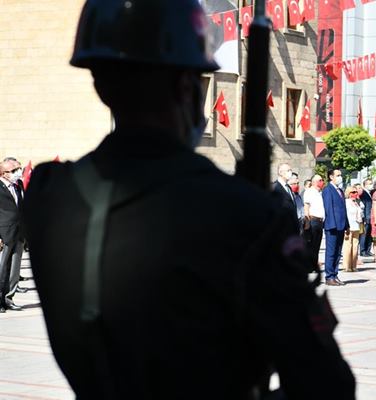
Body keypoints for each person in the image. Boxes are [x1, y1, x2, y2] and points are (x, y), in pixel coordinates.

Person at [22, 1, 356, 397]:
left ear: (99, 83)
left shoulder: (49, 195)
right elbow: (326, 385)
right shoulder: (245, 214)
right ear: (187, 88)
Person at [0, 158, 24, 312]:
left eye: (18, 169)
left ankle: (9, 298)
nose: (18, 172)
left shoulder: (18, 184)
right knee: (1, 269)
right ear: (4, 173)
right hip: (4, 233)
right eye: (14, 170)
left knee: (14, 269)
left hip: (20, 232)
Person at [322, 168, 349, 286]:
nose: (340, 177)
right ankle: (329, 276)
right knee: (331, 252)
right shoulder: (328, 190)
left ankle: (335, 274)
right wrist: (332, 224)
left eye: (340, 175)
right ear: (331, 177)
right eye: (337, 175)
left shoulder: (340, 191)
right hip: (332, 226)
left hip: (341, 225)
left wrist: (346, 225)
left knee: (338, 252)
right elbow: (328, 208)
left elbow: (343, 209)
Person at [303, 174, 325, 271]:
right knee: (310, 245)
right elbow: (306, 207)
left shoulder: (319, 192)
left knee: (317, 245)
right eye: (319, 180)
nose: (321, 182)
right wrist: (307, 222)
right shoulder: (309, 191)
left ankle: (313, 265)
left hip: (320, 221)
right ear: (314, 182)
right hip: (313, 220)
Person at [273, 163, 300, 232]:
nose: (290, 172)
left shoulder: (288, 187)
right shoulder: (275, 187)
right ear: (280, 172)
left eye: (291, 170)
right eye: (288, 170)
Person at [342, 186, 364, 273]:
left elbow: (361, 212)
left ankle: (353, 266)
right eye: (353, 192)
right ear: (348, 193)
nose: (355, 194)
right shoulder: (346, 202)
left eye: (356, 192)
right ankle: (347, 266)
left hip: (356, 226)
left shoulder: (357, 202)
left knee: (355, 247)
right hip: (349, 226)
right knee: (348, 246)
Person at [359, 178, 374, 257]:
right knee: (364, 235)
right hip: (366, 217)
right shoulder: (363, 194)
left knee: (369, 235)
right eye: (369, 183)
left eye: (371, 183)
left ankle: (368, 250)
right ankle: (363, 250)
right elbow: (363, 206)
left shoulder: (370, 193)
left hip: (370, 217)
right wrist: (364, 218)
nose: (371, 185)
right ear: (365, 185)